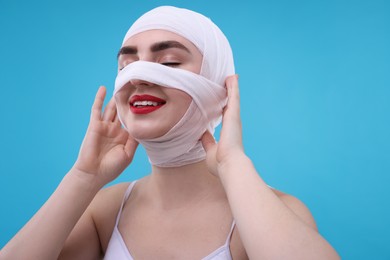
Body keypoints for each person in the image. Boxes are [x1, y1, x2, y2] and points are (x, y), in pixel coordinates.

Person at [0, 6, 340, 260]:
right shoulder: (102, 211)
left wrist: (234, 164)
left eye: (170, 64)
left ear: (219, 88)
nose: (139, 77)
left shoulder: (273, 212)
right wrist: (83, 177)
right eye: (127, 66)